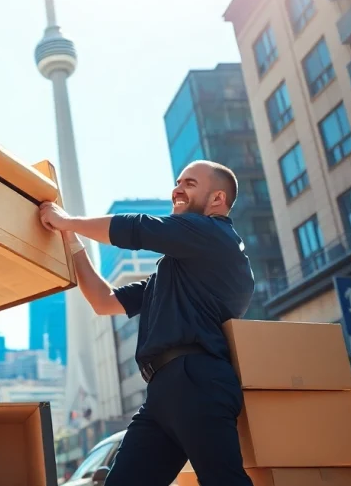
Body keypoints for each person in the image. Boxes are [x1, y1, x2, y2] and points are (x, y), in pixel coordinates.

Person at [37, 160, 255, 486]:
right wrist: (70, 238)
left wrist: (68, 220)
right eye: (178, 182)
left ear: (217, 199)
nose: (177, 189)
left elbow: (138, 228)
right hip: (164, 392)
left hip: (196, 379)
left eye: (190, 184)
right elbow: (104, 300)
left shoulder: (215, 234)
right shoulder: (179, 272)